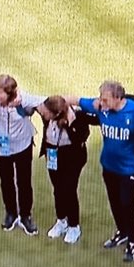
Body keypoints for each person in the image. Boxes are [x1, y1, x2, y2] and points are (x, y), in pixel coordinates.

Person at [78, 81, 134, 262]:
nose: (101, 102)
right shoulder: (102, 108)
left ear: (118, 98)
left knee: (127, 203)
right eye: (100, 98)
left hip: (129, 168)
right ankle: (122, 232)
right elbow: (75, 100)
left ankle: (133, 241)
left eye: (105, 99)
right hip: (108, 166)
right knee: (115, 202)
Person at [0, 74, 46, 234]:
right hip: (1, 146)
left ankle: (26, 215)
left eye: (0, 92)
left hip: (22, 146)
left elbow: (45, 101)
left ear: (10, 92)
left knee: (24, 181)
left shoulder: (24, 100)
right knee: (6, 181)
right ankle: (10, 213)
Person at [37, 95, 96, 245]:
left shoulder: (77, 117)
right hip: (52, 155)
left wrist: (70, 124)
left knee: (69, 190)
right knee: (57, 189)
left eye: (47, 113)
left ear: (56, 113)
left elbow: (83, 136)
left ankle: (74, 226)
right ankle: (61, 220)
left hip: (72, 156)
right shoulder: (47, 114)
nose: (43, 114)